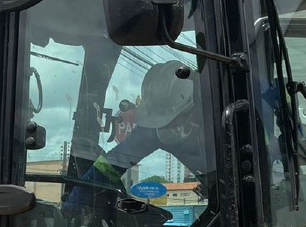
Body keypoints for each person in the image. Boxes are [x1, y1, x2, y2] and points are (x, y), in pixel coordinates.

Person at [65, 60, 207, 217]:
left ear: (191, 109)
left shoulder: (223, 123)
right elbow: (109, 166)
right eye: (159, 122)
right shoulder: (151, 130)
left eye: (170, 121)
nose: (163, 128)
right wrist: (71, 208)